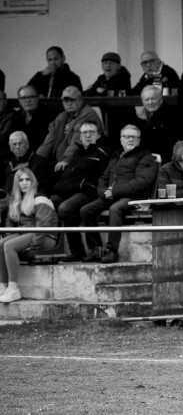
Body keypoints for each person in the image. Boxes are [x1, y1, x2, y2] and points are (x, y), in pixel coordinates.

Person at [79, 125, 158, 263]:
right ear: (121, 139)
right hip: (112, 195)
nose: (130, 139)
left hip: (134, 197)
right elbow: (103, 178)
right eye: (126, 136)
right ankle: (95, 250)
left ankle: (112, 251)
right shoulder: (116, 156)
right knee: (86, 210)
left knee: (114, 209)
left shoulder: (145, 157)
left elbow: (141, 182)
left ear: (139, 140)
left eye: (133, 137)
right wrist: (104, 192)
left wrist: (114, 192)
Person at [51, 121, 109, 261]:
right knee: (50, 202)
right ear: (80, 136)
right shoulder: (77, 152)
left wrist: (82, 185)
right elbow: (70, 176)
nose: (87, 135)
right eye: (84, 133)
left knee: (65, 208)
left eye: (91, 132)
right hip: (74, 191)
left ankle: (84, 250)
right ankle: (51, 246)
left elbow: (101, 177)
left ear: (98, 135)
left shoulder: (102, 153)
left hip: (90, 192)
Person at [0, 169, 59, 303]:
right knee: (1, 244)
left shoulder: (40, 198)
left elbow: (43, 226)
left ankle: (13, 289)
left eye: (28, 179)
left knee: (10, 246)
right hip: (26, 234)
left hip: (46, 238)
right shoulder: (16, 200)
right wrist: (13, 238)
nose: (24, 183)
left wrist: (30, 246)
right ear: (17, 183)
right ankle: (2, 287)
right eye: (21, 180)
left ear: (33, 182)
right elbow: (10, 225)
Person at [37, 86, 104, 171]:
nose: (69, 103)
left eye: (72, 100)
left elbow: (77, 142)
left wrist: (66, 160)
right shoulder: (63, 116)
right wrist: (39, 157)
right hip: (58, 161)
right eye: (66, 100)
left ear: (80, 100)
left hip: (76, 162)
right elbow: (50, 139)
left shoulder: (88, 114)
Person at [1, 131, 53, 223]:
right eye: (14, 144)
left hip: (26, 201)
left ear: (27, 145)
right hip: (10, 200)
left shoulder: (39, 162)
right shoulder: (10, 164)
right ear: (10, 147)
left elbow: (42, 189)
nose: (17, 147)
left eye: (20, 143)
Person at [135, 86, 180, 164]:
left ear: (161, 99)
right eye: (147, 100)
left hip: (163, 162)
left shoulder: (170, 116)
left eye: (153, 99)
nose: (150, 102)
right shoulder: (141, 118)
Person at [13, 86, 55, 155]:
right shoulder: (16, 116)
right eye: (23, 98)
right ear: (19, 100)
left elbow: (47, 144)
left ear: (38, 98)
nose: (27, 100)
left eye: (31, 97)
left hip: (40, 156)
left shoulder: (49, 115)